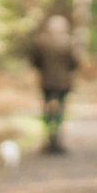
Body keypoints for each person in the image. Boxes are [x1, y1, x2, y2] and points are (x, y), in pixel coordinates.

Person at [30, 15, 79, 154]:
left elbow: (35, 61)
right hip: (63, 82)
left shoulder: (41, 41)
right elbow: (74, 63)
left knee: (47, 110)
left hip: (46, 82)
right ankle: (58, 139)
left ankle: (48, 138)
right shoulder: (69, 42)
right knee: (60, 111)